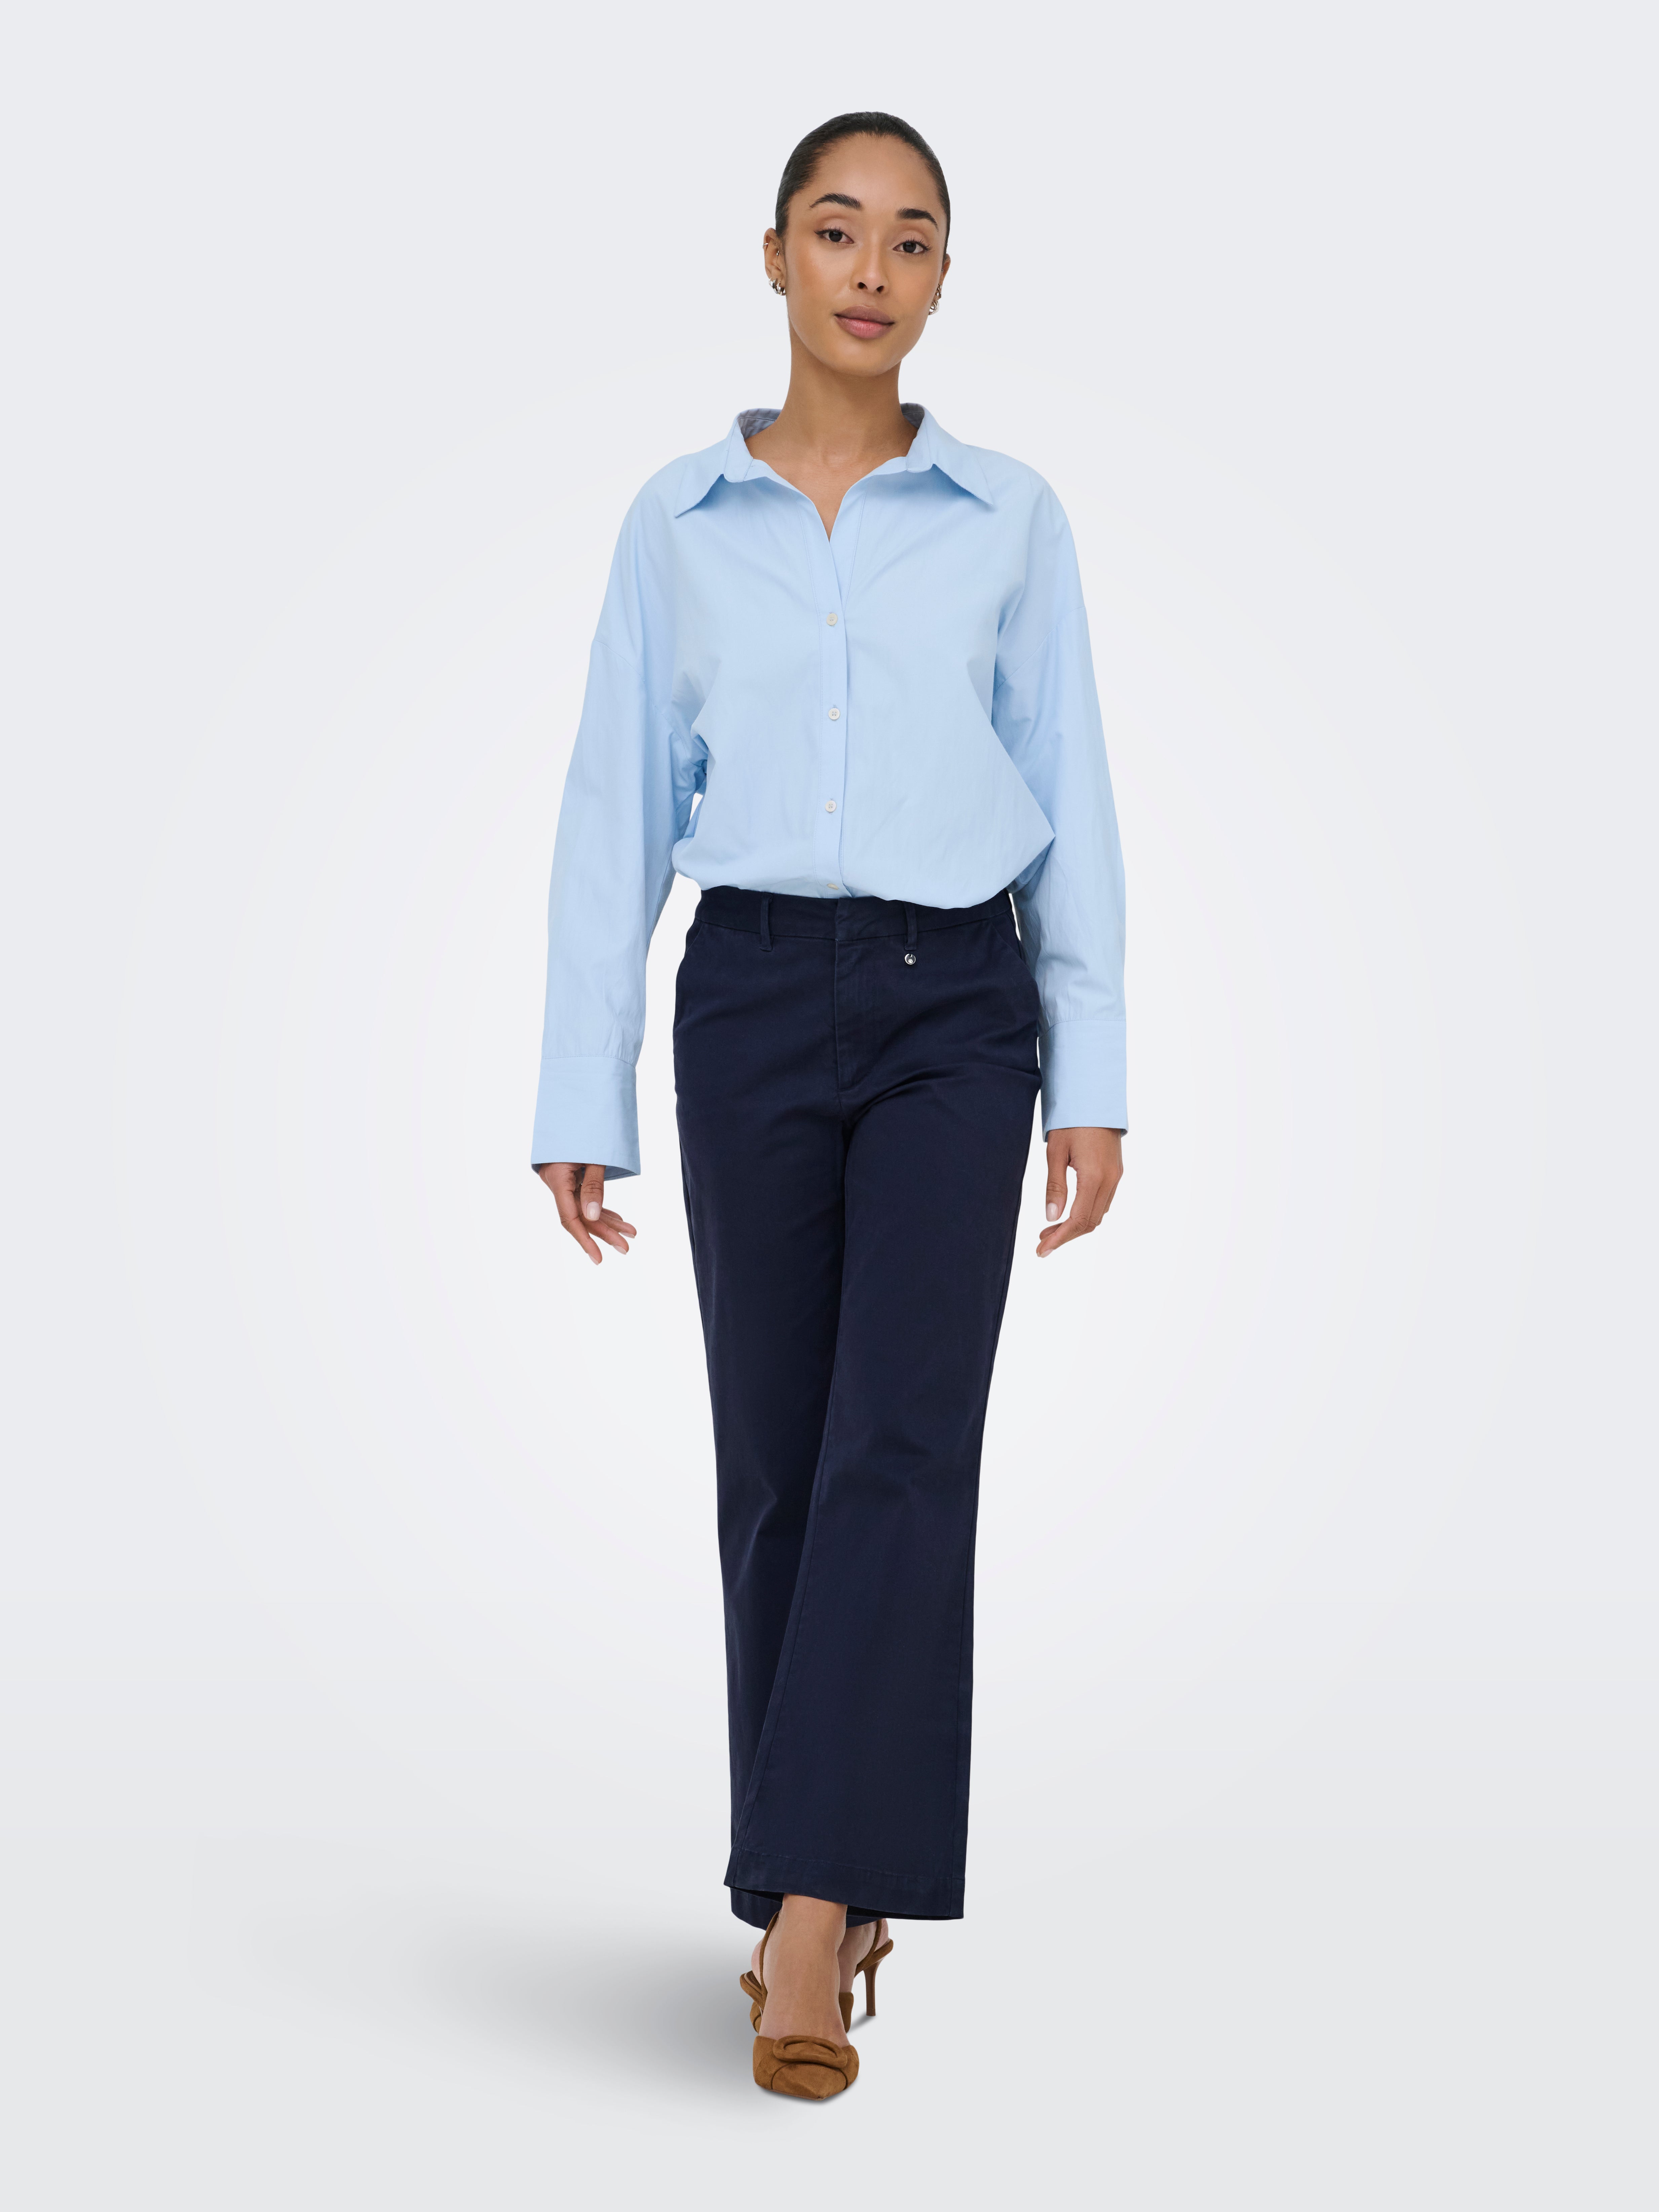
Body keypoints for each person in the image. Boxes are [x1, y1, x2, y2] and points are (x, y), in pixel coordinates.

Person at [531, 111, 1126, 2100]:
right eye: (838, 229)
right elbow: (615, 800)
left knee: (902, 1442)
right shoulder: (679, 521)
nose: (873, 270)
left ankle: (804, 1914)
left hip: (958, 1005)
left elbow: (1072, 790)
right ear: (775, 254)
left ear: (944, 278)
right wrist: (580, 1082)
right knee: (781, 1460)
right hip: (756, 999)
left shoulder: (1012, 519)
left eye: (913, 239)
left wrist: (1093, 1071)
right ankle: (824, 1882)